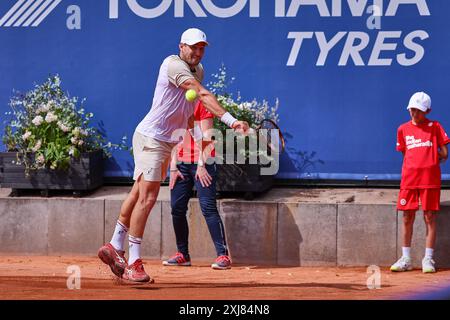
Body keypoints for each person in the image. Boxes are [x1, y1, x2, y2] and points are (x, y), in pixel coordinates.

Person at [97, 28, 249, 283]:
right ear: (181, 47)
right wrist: (232, 122)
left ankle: (115, 244)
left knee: (137, 192)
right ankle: (134, 262)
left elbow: (188, 115)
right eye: (193, 47)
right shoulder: (173, 65)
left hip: (166, 141)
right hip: (152, 138)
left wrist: (202, 143)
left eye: (202, 48)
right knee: (148, 196)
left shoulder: (197, 71)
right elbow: (201, 95)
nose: (198, 52)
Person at [163, 100, 231, 270]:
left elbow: (208, 138)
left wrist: (201, 165)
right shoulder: (174, 103)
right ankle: (183, 255)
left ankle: (223, 255)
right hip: (181, 163)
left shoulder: (201, 103)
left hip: (203, 162)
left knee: (208, 207)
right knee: (177, 208)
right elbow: (173, 137)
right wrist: (173, 167)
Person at [390, 91, 449, 273]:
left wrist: (431, 156)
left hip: (430, 180)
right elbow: (405, 153)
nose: (415, 114)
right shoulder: (402, 129)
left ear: (428, 110)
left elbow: (444, 154)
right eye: (412, 110)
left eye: (419, 111)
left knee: (429, 217)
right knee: (407, 217)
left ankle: (428, 259)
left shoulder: (435, 127)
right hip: (409, 180)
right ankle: (406, 259)